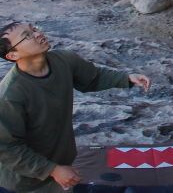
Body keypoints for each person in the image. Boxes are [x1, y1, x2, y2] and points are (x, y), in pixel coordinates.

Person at [0, 22, 151, 192]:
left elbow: (93, 77)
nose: (37, 34)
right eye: (27, 36)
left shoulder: (63, 60)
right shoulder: (9, 96)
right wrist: (52, 170)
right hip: (24, 182)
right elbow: (7, 148)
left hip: (61, 166)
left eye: (33, 29)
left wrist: (126, 78)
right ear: (12, 55)